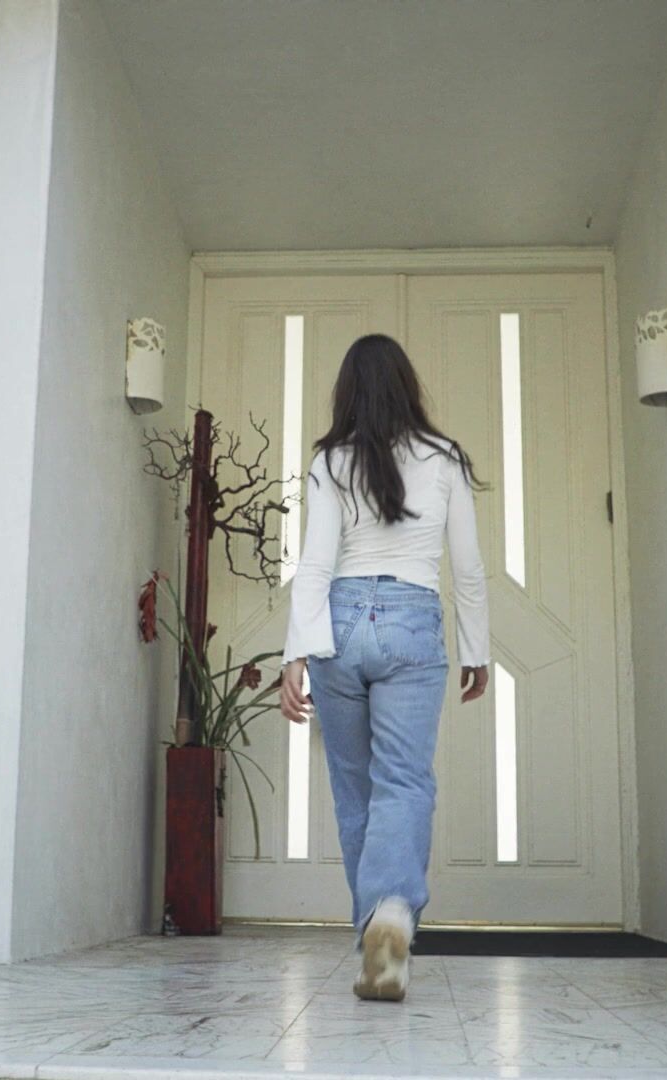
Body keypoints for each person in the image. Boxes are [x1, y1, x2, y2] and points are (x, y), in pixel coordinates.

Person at [278, 333, 489, 1002]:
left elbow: (315, 563)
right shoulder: (445, 458)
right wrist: (476, 649)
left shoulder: (330, 461)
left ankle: (375, 924)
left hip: (339, 625)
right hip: (411, 621)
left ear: (348, 392)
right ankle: (392, 913)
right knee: (404, 780)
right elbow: (469, 568)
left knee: (354, 790)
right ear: (407, 386)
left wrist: (295, 652)